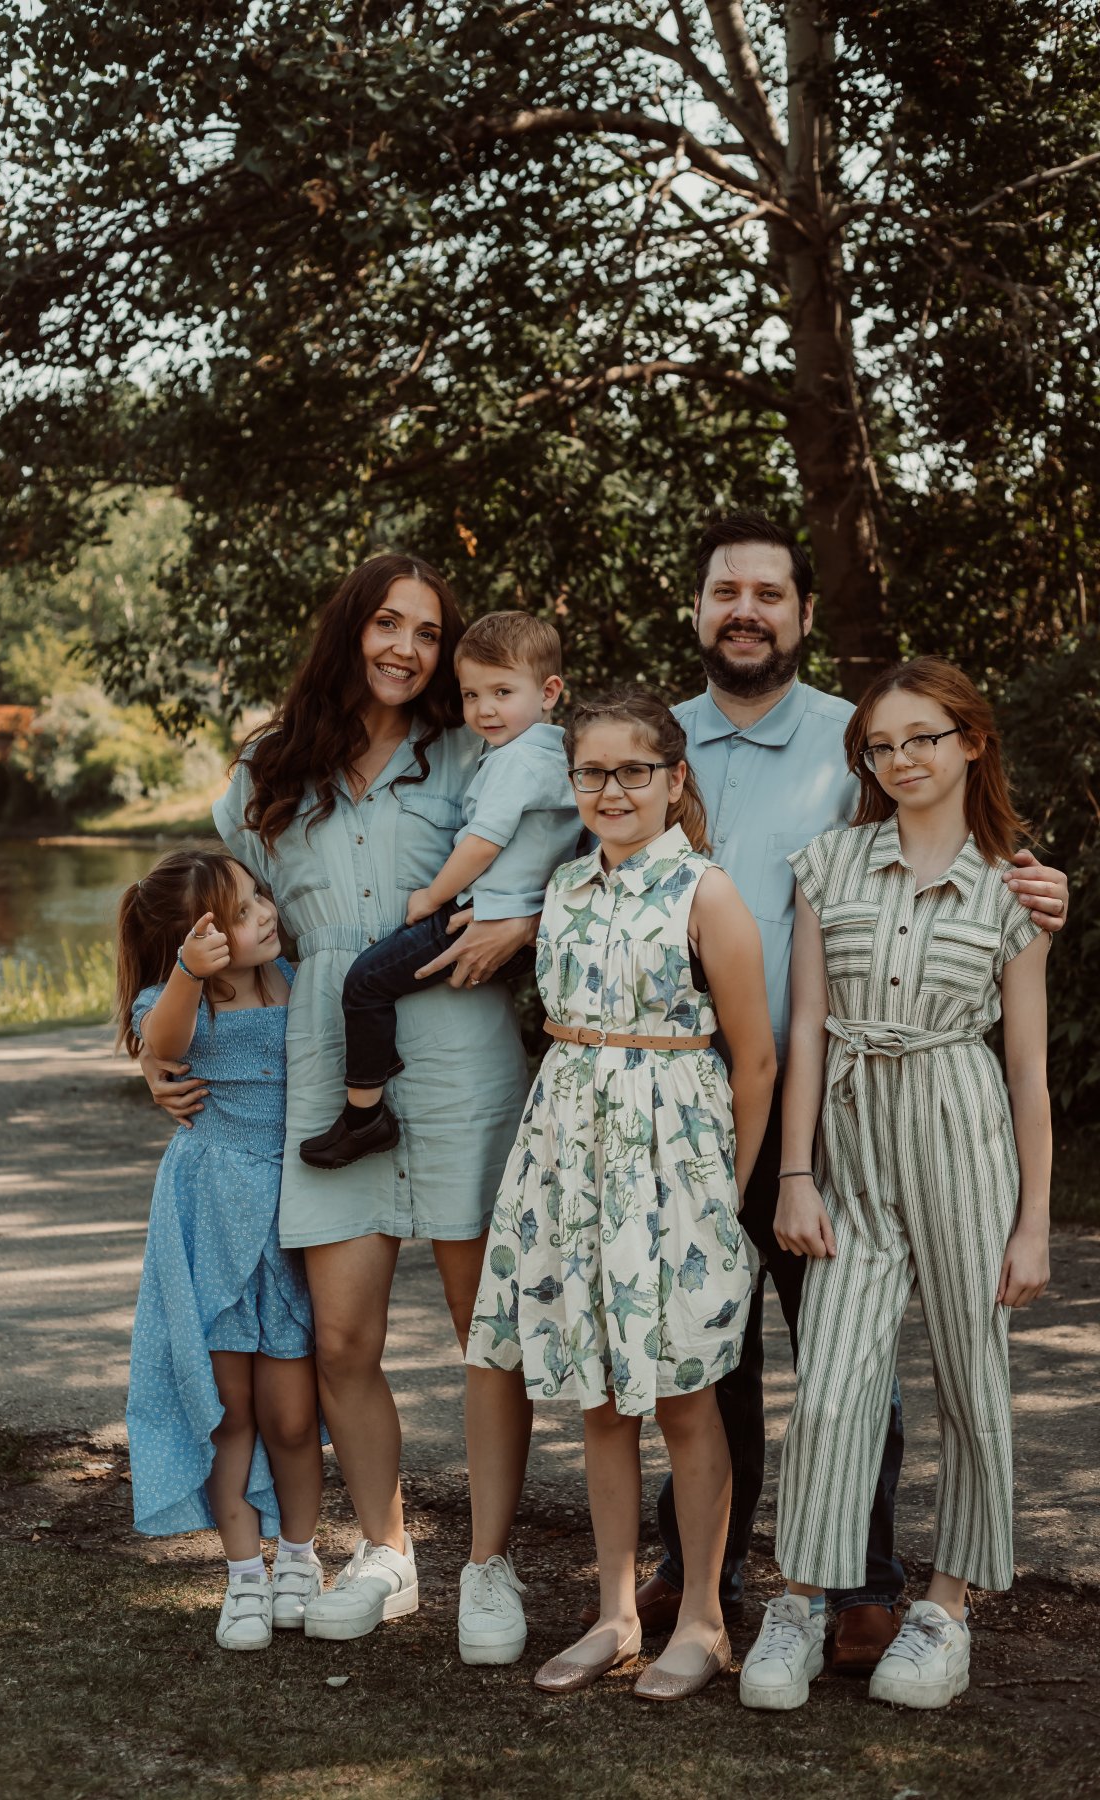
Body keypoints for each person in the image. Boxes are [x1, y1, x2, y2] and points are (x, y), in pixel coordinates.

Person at [632, 513, 1070, 1674]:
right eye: (726, 588)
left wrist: (1031, 887)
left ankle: (881, 1595)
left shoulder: (843, 738)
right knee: (711, 1350)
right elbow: (561, 841)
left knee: (895, 1374)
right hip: (685, 1091)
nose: (746, 608)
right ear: (697, 607)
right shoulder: (647, 743)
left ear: (802, 612)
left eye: (769, 592)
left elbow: (1007, 1022)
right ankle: (709, 1582)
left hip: (866, 1105)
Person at [144, 555, 538, 1644]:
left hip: (458, 1048)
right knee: (341, 1337)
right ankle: (388, 1552)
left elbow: (565, 865)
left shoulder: (481, 748)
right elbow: (209, 924)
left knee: (485, 1327)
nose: (405, 648)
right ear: (349, 631)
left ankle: (492, 1567)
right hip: (330, 1061)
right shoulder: (265, 772)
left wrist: (528, 925)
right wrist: (154, 1042)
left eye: (427, 630)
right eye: (386, 624)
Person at [739, 657, 1051, 1712]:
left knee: (971, 1379)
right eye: (882, 743)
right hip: (853, 1155)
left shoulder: (1014, 886)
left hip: (965, 1133)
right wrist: (793, 1174)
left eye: (924, 736)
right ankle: (801, 1599)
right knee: (831, 1389)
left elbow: (1027, 1071)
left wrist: (1034, 1224)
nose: (903, 757)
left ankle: (948, 1610)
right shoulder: (830, 861)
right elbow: (806, 1027)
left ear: (971, 742)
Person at [466, 690, 776, 1697]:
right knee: (599, 1402)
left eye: (633, 771)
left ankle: (701, 1619)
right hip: (569, 1161)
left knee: (686, 1398)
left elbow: (758, 1056)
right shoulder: (561, 890)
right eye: (593, 773)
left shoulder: (707, 893)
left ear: (673, 780)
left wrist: (720, 1199)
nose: (612, 789)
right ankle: (614, 1613)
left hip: (673, 1166)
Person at [117, 849, 324, 1652]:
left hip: (290, 1217)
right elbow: (159, 1043)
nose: (265, 912)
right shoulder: (180, 1002)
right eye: (240, 912)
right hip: (210, 1216)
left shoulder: (298, 982)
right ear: (195, 938)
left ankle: (301, 1560)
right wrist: (187, 975)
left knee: (293, 1415)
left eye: (260, 896)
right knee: (230, 1411)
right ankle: (243, 1576)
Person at [299, 610, 578, 1170]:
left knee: (365, 984)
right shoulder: (561, 756)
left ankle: (364, 1116)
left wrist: (429, 897)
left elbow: (481, 843)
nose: (484, 710)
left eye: (502, 692)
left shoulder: (514, 762)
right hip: (523, 929)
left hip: (475, 914)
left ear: (549, 691)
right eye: (472, 695)